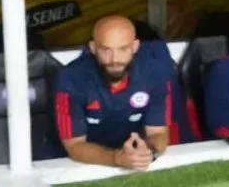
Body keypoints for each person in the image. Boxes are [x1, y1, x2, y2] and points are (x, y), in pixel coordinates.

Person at [53, 15, 173, 169]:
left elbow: (158, 132)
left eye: (123, 49)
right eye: (106, 49)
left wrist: (148, 152)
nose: (114, 59)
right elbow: (75, 146)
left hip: (131, 156)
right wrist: (117, 158)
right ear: (93, 48)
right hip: (77, 164)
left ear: (135, 46)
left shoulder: (154, 73)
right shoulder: (70, 78)